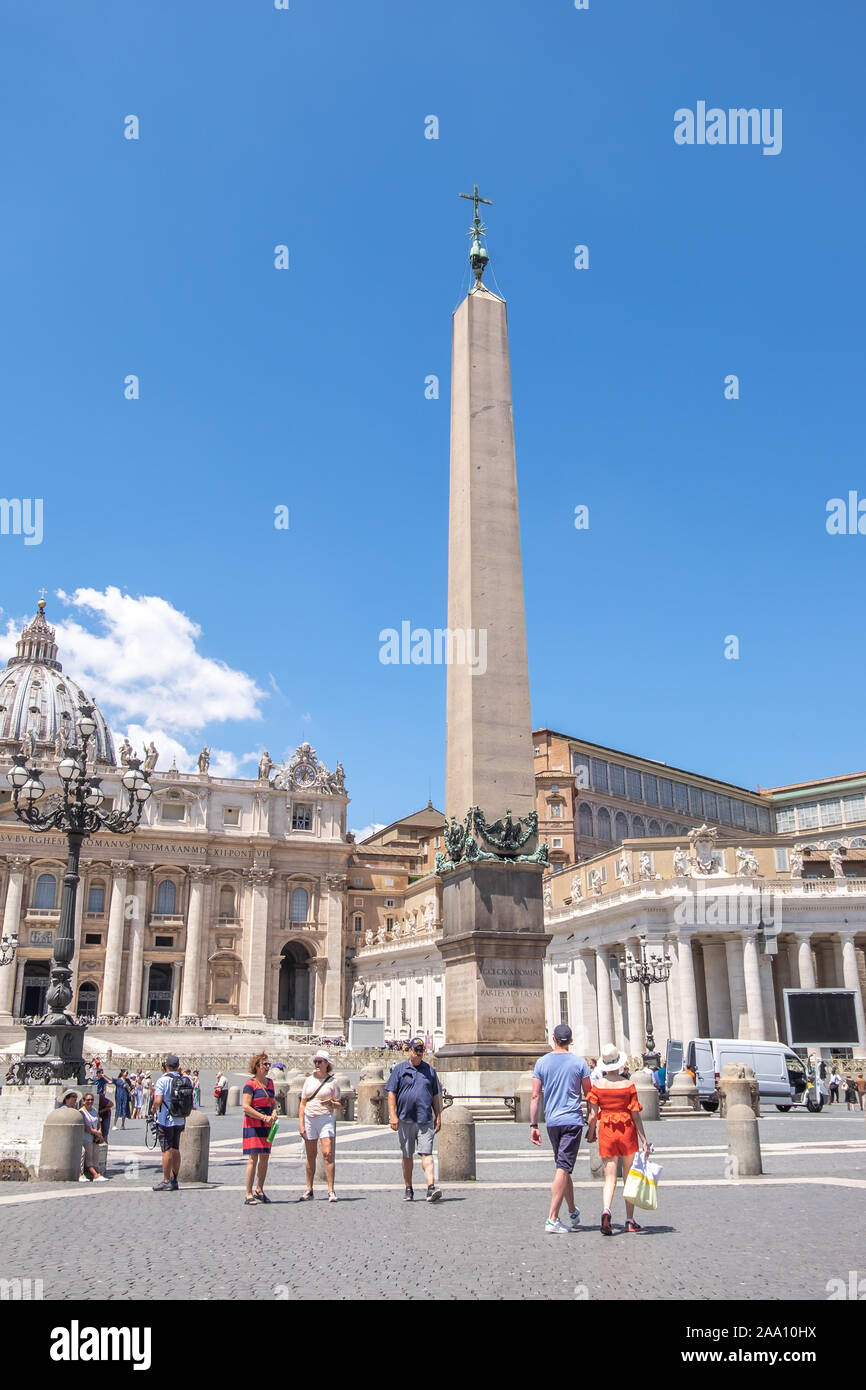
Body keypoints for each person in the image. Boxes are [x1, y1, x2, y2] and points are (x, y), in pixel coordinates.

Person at [530, 1023, 591, 1234]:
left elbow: (535, 1095)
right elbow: (589, 1094)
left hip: (552, 1122)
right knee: (563, 1168)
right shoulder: (579, 1063)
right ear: (570, 1041)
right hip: (572, 1121)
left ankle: (572, 1211)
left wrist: (533, 1124)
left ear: (553, 1039)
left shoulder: (542, 1063)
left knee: (563, 1167)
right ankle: (552, 1218)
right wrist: (591, 1119)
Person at [587, 1042, 651, 1235]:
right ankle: (630, 1220)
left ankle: (606, 1210)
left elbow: (592, 1115)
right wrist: (644, 1140)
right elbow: (635, 1115)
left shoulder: (597, 1086)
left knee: (609, 1178)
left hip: (607, 1129)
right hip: (626, 1131)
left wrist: (591, 1133)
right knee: (629, 1177)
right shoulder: (628, 1085)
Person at [385, 1036, 442, 1202]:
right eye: (416, 1050)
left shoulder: (430, 1070)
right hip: (405, 1118)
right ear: (409, 1051)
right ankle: (408, 1187)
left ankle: (431, 1187)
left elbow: (436, 1095)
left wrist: (438, 1115)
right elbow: (391, 1094)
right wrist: (393, 1115)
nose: (419, 1053)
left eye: (421, 1050)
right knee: (407, 1155)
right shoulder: (400, 1070)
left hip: (424, 1118)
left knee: (427, 1153)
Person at [298, 1050, 342, 1203]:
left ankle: (331, 1190)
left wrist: (331, 1103)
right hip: (310, 1118)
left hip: (325, 1118)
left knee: (327, 1153)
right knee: (311, 1155)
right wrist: (301, 1124)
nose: (316, 1064)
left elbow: (339, 1103)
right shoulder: (308, 1080)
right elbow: (303, 1103)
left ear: (326, 1064)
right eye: (315, 1062)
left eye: (320, 1062)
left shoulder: (333, 1082)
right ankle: (309, 1189)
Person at [151, 1053, 191, 1192]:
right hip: (180, 1118)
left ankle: (166, 1180)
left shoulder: (162, 1080)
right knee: (175, 1148)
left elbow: (158, 1100)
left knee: (166, 1150)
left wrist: (153, 1109)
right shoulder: (186, 1079)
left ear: (166, 1066)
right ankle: (175, 1179)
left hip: (166, 1119)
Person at [242, 1051, 276, 1206]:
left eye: (269, 1064)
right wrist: (263, 1117)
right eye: (265, 1064)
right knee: (252, 1159)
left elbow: (273, 1103)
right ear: (256, 1066)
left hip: (267, 1125)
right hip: (253, 1125)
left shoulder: (270, 1083)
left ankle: (259, 1189)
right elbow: (245, 1107)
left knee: (265, 1158)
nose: (267, 1067)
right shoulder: (250, 1084)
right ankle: (248, 1193)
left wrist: (274, 1112)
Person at [79, 1093, 107, 1183]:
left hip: (95, 1138)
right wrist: (96, 1132)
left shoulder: (94, 1110)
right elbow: (84, 1126)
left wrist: (100, 1132)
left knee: (95, 1157)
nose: (90, 1101)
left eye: (91, 1100)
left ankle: (97, 1173)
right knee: (89, 1157)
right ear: (83, 1101)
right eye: (88, 1100)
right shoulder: (81, 1112)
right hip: (86, 1137)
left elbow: (99, 1122)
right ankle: (95, 1175)